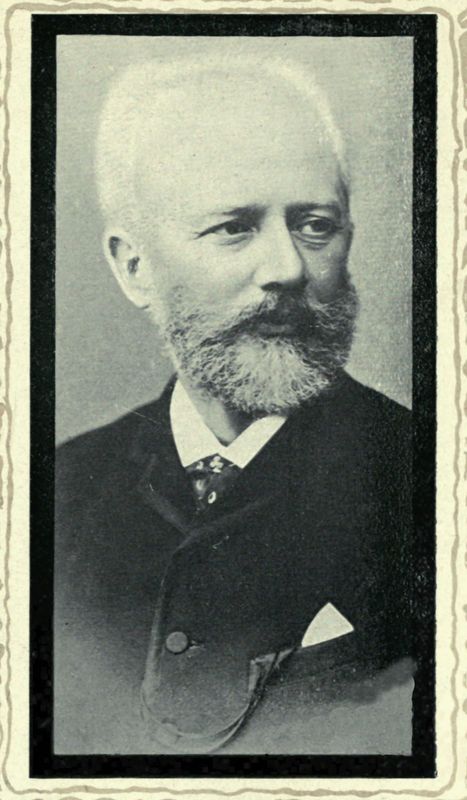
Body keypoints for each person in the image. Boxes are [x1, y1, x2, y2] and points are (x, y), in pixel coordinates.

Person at [54, 55, 414, 755]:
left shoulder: (430, 482)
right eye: (233, 227)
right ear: (134, 268)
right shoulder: (54, 494)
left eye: (315, 224)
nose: (287, 268)